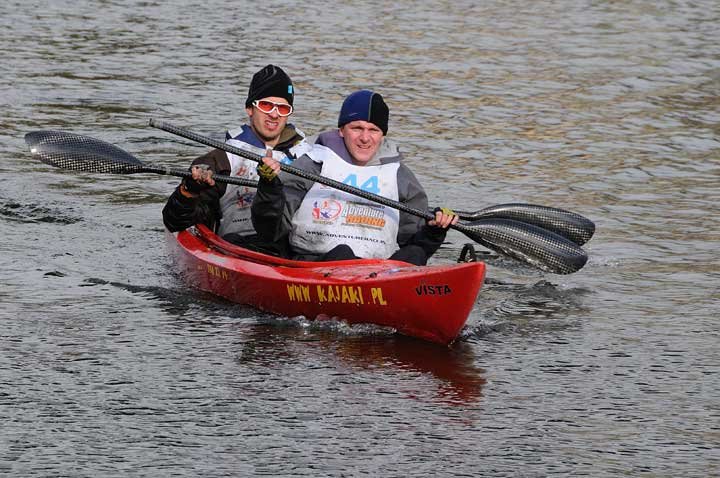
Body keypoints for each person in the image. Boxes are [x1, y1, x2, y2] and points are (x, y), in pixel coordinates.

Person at [251, 89, 458, 266]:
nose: (365, 138)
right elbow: (271, 231)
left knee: (415, 254)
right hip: (312, 264)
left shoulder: (399, 175)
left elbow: (413, 241)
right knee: (343, 253)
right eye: (357, 128)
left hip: (376, 274)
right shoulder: (312, 164)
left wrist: (435, 229)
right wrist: (269, 187)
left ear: (382, 135)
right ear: (342, 130)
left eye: (373, 130)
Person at [162, 64, 310, 247]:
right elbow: (174, 222)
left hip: (293, 253)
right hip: (237, 248)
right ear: (249, 108)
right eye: (266, 105)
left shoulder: (308, 158)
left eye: (283, 108)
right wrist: (189, 190)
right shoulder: (221, 160)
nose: (274, 114)